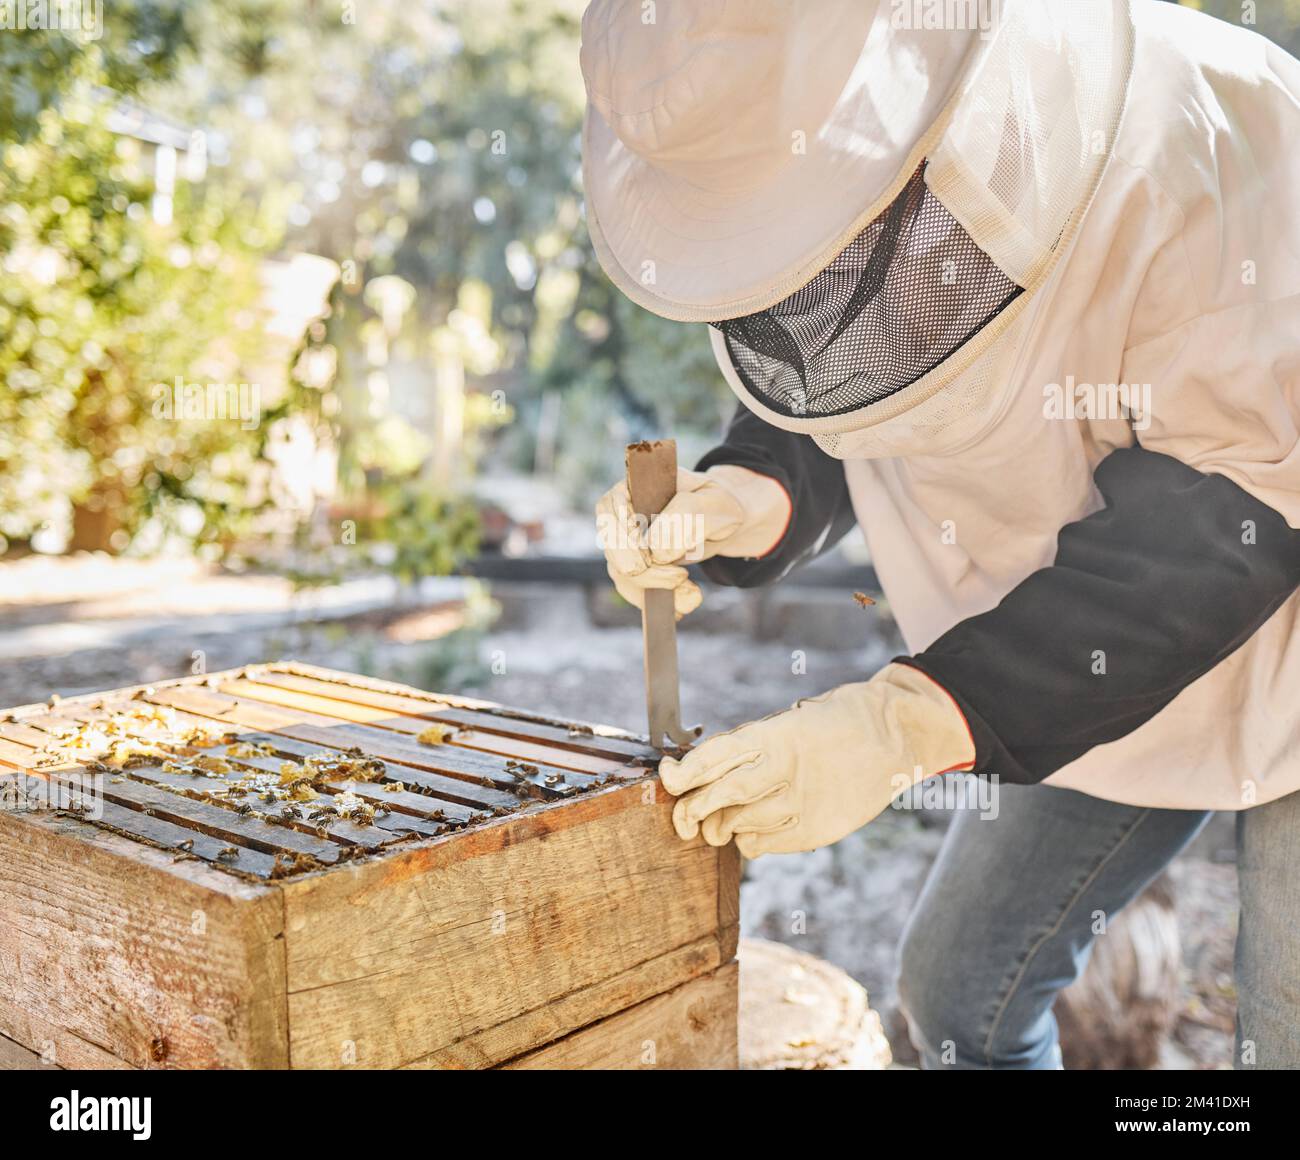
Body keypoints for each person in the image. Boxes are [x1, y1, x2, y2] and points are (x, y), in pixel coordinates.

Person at [582, 0, 1300, 1069]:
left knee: (1279, 1027)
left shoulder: (1223, 140)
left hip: (1265, 612)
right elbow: (849, 371)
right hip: (1067, 648)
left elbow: (1233, 517)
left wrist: (902, 724)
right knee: (960, 991)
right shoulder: (851, 148)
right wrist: (746, 494)